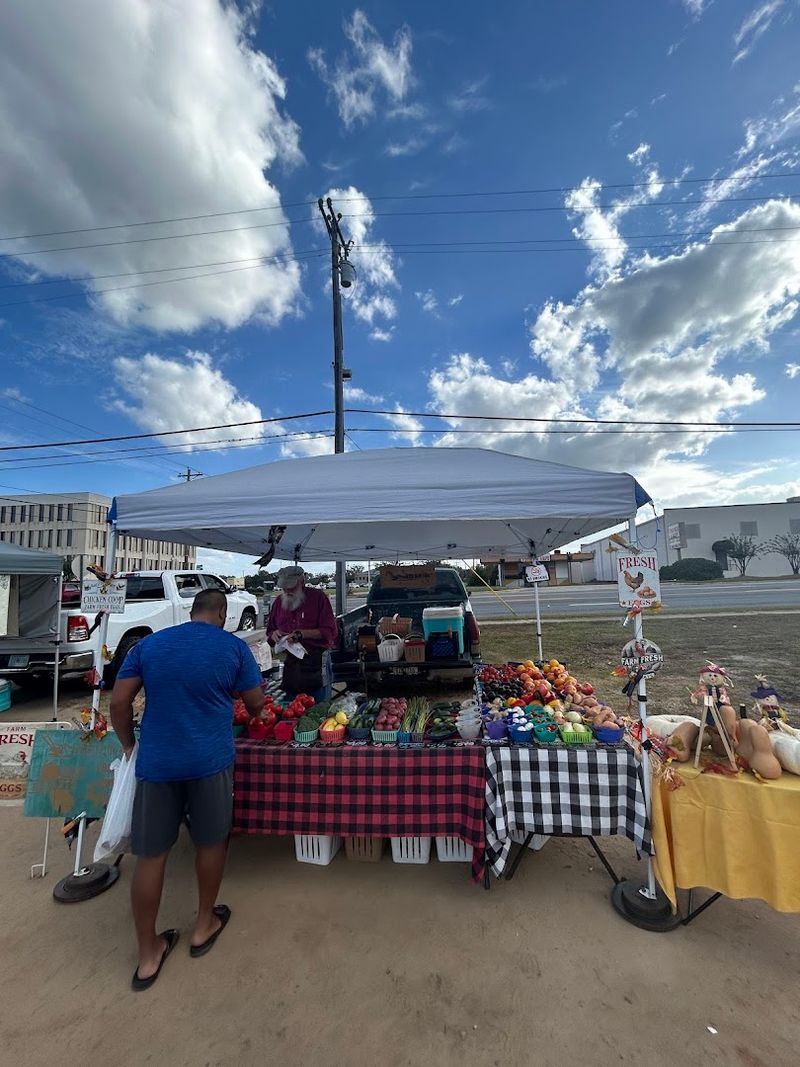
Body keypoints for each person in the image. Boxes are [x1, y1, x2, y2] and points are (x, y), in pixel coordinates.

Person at [109, 588, 264, 992]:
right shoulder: (232, 647)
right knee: (211, 843)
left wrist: (128, 744)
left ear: (193, 611)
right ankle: (203, 924)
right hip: (209, 761)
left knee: (151, 855)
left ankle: (148, 955)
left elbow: (120, 701)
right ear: (222, 612)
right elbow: (257, 703)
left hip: (157, 763)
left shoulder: (150, 644)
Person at [266, 565, 337, 703]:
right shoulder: (279, 602)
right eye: (284, 587)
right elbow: (270, 630)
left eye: (291, 587)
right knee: (291, 708)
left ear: (302, 581)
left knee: (318, 708)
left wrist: (302, 634)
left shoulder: (318, 598)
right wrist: (273, 634)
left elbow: (330, 631)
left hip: (316, 661)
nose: (287, 590)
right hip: (291, 665)